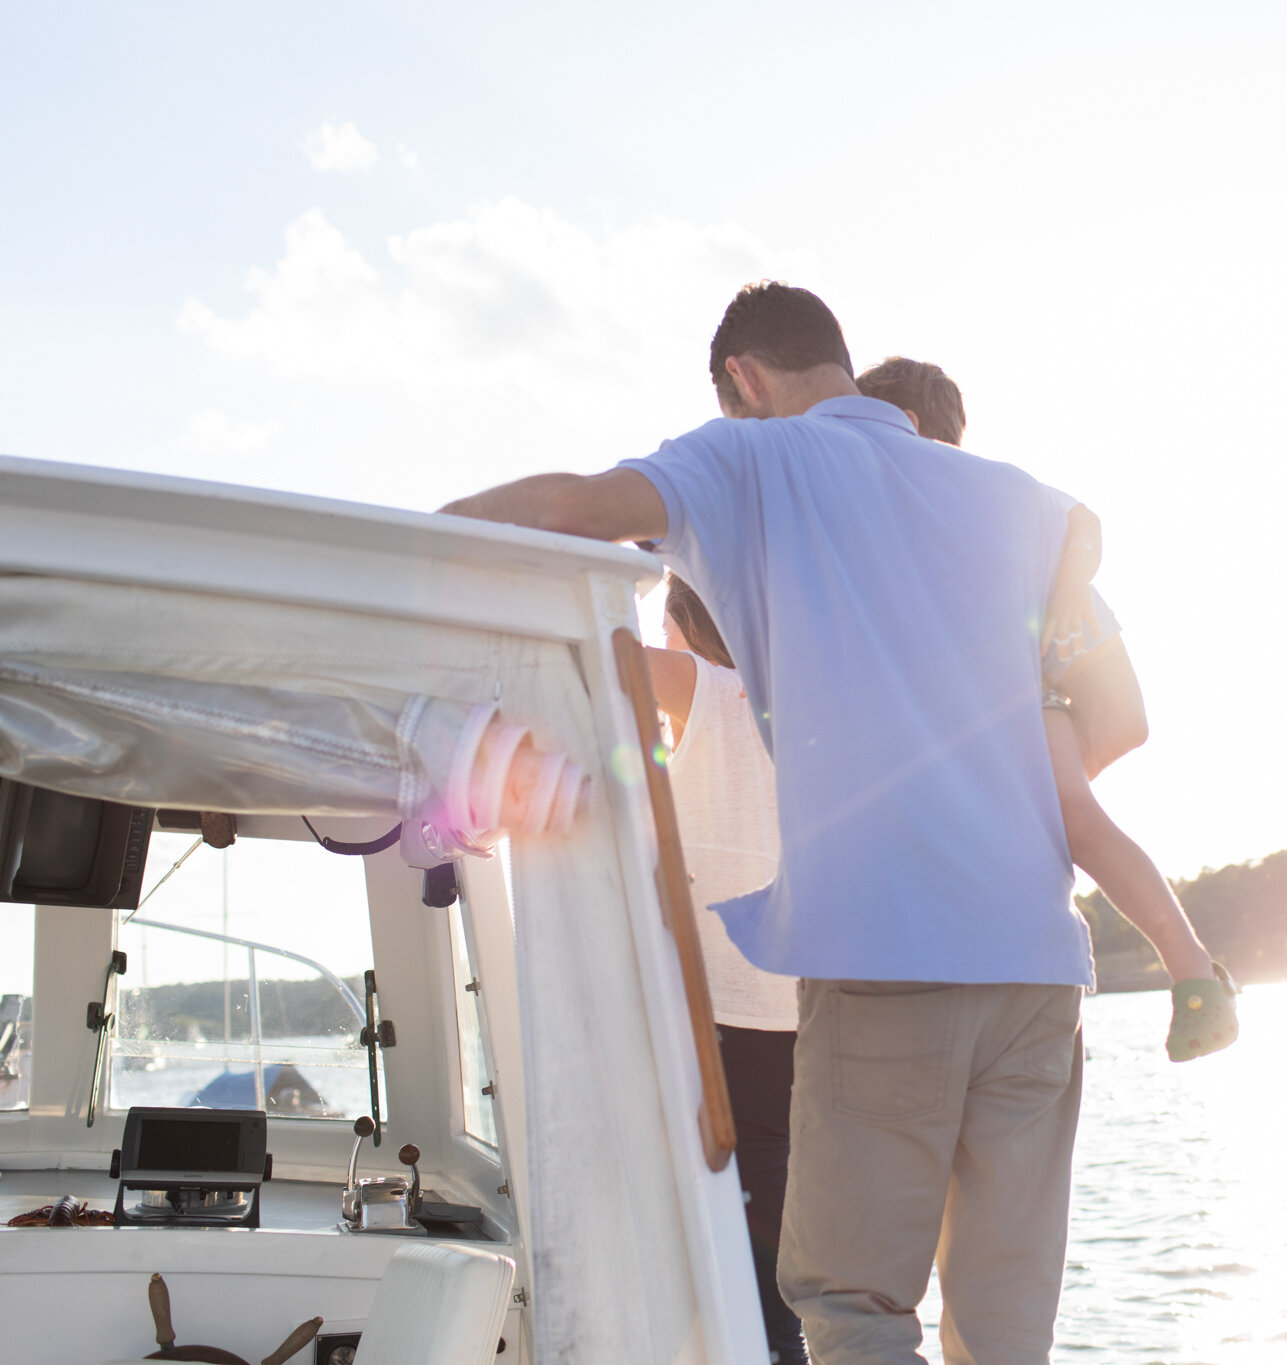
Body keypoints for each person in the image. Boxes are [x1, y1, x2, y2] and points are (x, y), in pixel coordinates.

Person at [441, 281, 1112, 1364]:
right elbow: (1108, 709)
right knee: (1002, 1326)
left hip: (892, 952)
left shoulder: (750, 456)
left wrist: (399, 548)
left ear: (741, 383)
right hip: (1040, 965)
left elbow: (568, 509)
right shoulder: (1013, 498)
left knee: (849, 1311)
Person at [856, 357, 1235, 1061]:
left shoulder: (985, 504)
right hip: (1015, 713)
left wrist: (1065, 592)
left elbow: (1083, 520)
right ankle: (1192, 970)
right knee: (1074, 817)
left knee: (1076, 817)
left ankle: (1193, 971)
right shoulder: (942, 518)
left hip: (1025, 705)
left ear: (903, 428)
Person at [647, 574, 807, 1365]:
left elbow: (607, 661)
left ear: (687, 620)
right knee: (771, 1231)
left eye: (663, 621)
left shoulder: (706, 688)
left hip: (727, 1012)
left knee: (740, 1239)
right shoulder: (790, 704)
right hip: (796, 1008)